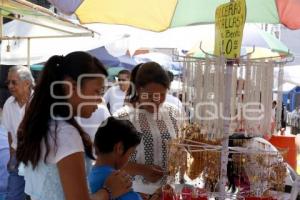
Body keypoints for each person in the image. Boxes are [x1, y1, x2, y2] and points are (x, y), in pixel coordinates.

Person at [16, 52, 131, 200]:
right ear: (71, 86)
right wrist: (108, 191)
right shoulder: (66, 133)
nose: (99, 100)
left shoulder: (47, 124)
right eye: (96, 92)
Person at [113, 62, 183, 198]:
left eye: (161, 95)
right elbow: (108, 162)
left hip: (168, 193)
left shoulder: (174, 113)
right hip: (133, 194)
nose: (156, 101)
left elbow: (183, 148)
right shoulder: (122, 118)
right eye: (150, 96)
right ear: (139, 90)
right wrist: (141, 170)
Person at [1, 66, 34, 200]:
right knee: (13, 196)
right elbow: (9, 133)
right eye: (8, 82)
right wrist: (12, 156)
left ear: (27, 83)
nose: (10, 86)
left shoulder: (39, 102)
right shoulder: (9, 103)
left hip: (37, 156)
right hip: (18, 154)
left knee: (35, 195)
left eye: (14, 82)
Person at [88, 117, 141, 200]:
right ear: (119, 148)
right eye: (130, 153)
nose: (129, 159)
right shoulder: (121, 184)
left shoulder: (85, 177)